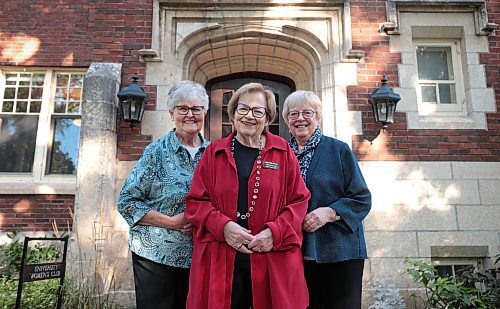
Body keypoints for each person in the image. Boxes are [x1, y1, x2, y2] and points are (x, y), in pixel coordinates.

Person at [185, 82, 311, 309]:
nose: (249, 116)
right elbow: (196, 202)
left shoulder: (283, 152)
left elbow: (299, 200)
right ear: (233, 114)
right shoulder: (214, 153)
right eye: (243, 109)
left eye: (258, 111)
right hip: (221, 256)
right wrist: (223, 227)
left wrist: (275, 232)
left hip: (272, 255)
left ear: (268, 118)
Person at [117, 80, 210, 309]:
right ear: (171, 113)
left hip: (199, 255)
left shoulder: (213, 153)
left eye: (196, 109)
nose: (190, 114)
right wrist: (172, 223)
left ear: (205, 112)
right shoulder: (155, 152)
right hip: (155, 254)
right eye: (183, 108)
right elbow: (127, 202)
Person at [282, 90, 371, 309]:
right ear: (286, 120)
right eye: (293, 114)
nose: (300, 118)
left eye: (307, 113)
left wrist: (329, 213)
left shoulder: (338, 150)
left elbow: (361, 197)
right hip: (295, 252)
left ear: (318, 117)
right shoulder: (280, 154)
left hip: (339, 251)